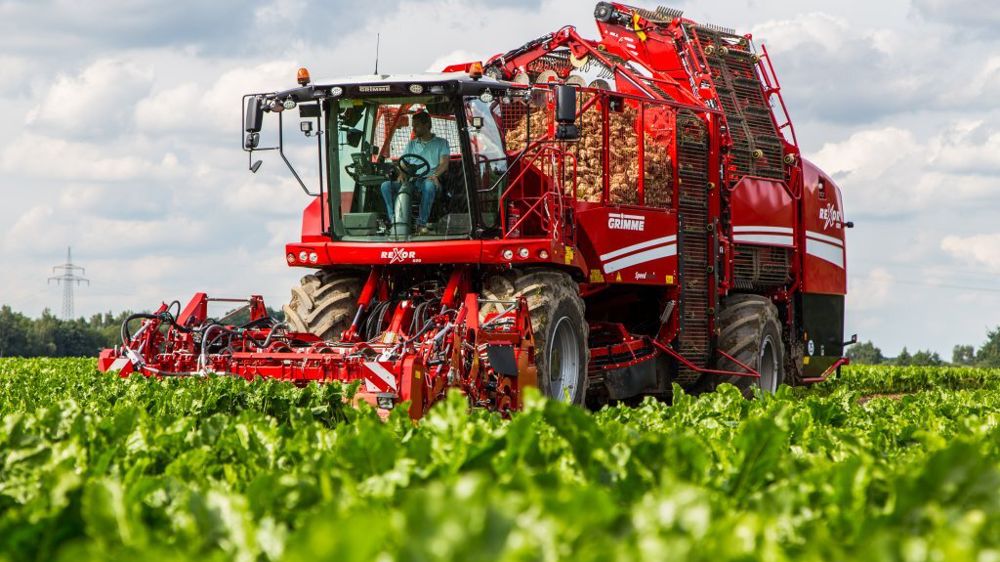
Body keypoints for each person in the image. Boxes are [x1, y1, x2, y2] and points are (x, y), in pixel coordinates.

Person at [380, 111, 450, 234]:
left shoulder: (441, 143)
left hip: (429, 179)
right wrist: (401, 173)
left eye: (416, 125)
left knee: (428, 186)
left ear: (427, 125)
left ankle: (421, 224)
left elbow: (444, 163)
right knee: (386, 186)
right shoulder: (411, 144)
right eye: (413, 125)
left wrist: (435, 176)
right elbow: (403, 162)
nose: (413, 129)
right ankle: (394, 221)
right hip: (411, 181)